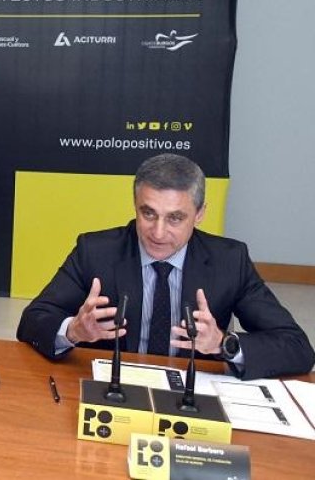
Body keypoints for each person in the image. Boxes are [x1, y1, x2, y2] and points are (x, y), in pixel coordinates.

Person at [17, 153, 314, 380]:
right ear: (135, 205)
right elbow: (33, 320)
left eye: (175, 218)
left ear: (200, 214)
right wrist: (74, 331)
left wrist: (223, 344)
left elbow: (297, 347)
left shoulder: (229, 260)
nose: (158, 233)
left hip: (192, 393)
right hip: (113, 387)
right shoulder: (96, 252)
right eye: (148, 214)